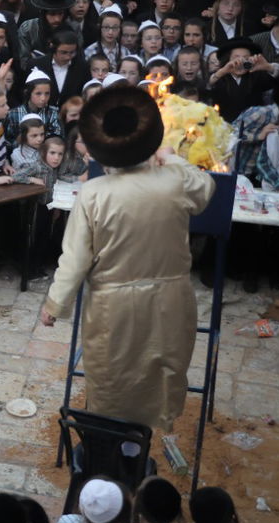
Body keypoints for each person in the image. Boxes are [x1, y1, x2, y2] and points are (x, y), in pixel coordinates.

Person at [41, 85, 215, 431]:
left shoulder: (93, 193)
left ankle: (114, 446)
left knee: (114, 379)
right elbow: (206, 189)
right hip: (171, 300)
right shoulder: (175, 180)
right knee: (163, 370)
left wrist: (55, 304)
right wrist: (171, 158)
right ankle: (148, 441)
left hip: (115, 306)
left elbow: (75, 259)